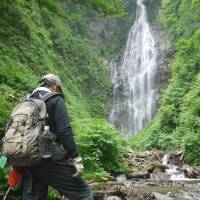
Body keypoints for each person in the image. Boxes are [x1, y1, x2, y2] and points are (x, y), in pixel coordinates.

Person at [21, 74, 93, 200]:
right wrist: (76, 157)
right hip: (47, 155)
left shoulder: (26, 102)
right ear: (55, 87)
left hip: (25, 157)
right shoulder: (55, 99)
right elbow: (64, 131)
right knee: (84, 194)